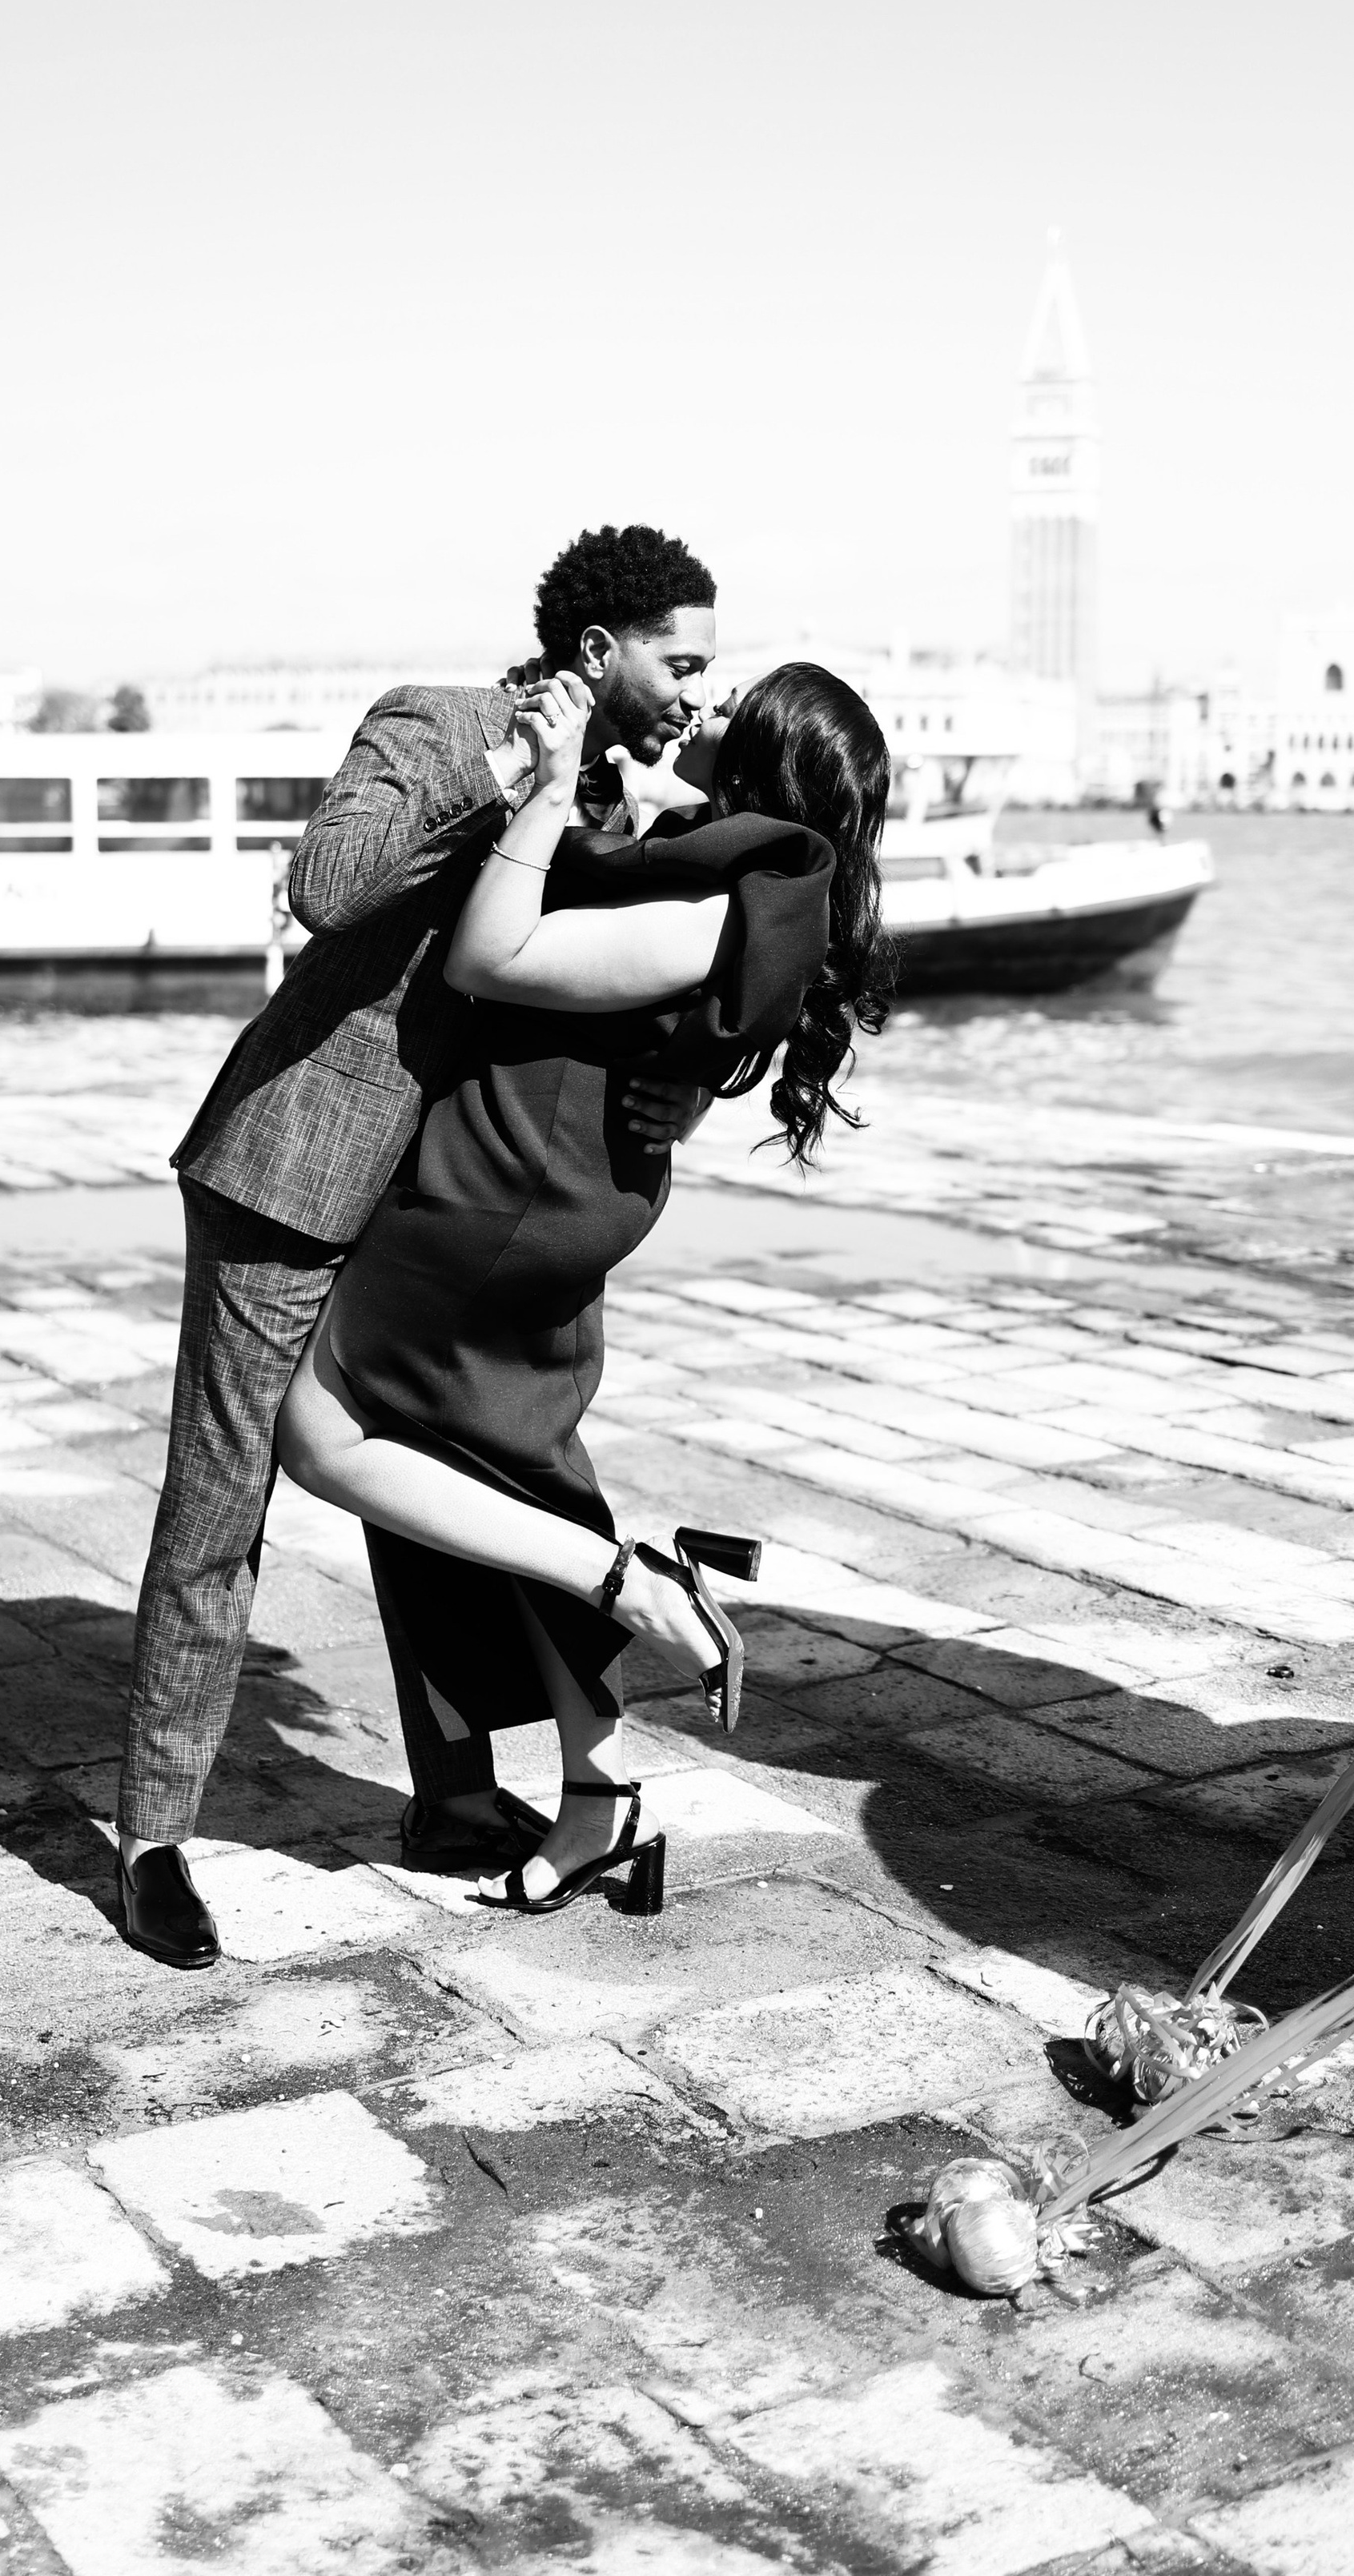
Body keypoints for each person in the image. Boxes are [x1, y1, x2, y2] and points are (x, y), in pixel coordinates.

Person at [115, 525, 721, 1968]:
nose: (701, 691)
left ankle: (456, 1799)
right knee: (223, 1504)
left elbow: (610, 986)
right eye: (680, 662)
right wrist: (518, 778)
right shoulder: (436, 726)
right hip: (299, 1169)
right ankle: (151, 1842)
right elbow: (330, 885)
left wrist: (684, 1081)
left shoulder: (628, 803)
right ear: (596, 654)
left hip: (448, 1204)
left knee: (441, 1484)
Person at [270, 659, 894, 1914]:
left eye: (727, 714)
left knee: (322, 1435)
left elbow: (491, 958)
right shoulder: (739, 875)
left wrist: (552, 788)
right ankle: (599, 1795)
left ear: (764, 770)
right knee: (507, 1479)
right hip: (558, 1186)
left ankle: (632, 1583)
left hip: (502, 1200)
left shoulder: (719, 899)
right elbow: (681, 1016)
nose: (696, 717)